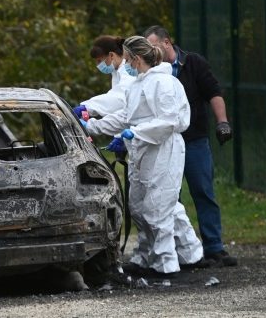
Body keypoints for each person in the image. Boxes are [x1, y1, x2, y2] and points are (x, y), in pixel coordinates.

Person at [81, 36, 204, 277]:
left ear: (136, 59)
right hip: (142, 150)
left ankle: (165, 264)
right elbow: (126, 117)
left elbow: (169, 121)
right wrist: (93, 126)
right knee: (138, 206)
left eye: (127, 59)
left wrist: (135, 133)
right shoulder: (137, 84)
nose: (125, 64)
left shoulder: (165, 83)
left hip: (164, 149)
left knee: (158, 207)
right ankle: (159, 256)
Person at [144, 25, 237, 267]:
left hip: (194, 139)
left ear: (167, 43)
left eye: (153, 46)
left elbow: (213, 93)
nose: (150, 52)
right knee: (170, 197)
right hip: (166, 144)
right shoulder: (150, 71)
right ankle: (180, 249)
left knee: (203, 191)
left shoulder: (193, 63)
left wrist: (222, 122)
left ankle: (214, 247)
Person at [73, 35, 136, 153]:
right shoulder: (117, 72)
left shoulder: (127, 71)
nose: (98, 65)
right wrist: (119, 136)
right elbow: (121, 110)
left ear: (111, 55)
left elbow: (119, 99)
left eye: (99, 61)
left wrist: (87, 107)